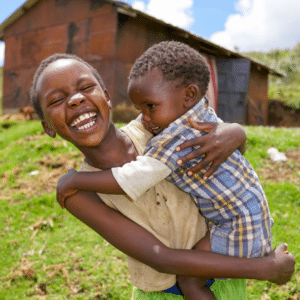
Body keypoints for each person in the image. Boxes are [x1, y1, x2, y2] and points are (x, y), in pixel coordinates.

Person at [31, 53, 295, 299]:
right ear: (47, 127)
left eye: (86, 88)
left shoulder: (158, 126)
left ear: (107, 96)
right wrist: (263, 269)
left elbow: (224, 155)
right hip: (163, 294)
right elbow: (161, 258)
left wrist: (236, 133)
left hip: (226, 280)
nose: (76, 100)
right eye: (56, 100)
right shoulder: (77, 194)